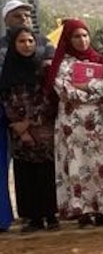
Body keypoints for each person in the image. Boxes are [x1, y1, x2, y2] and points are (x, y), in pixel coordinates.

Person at [47, 20, 103, 228]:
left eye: (85, 35)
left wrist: (85, 87)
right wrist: (92, 89)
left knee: (102, 162)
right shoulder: (62, 64)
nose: (82, 40)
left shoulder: (100, 61)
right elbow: (65, 92)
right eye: (76, 37)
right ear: (68, 40)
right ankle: (83, 211)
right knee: (78, 163)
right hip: (73, 124)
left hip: (100, 123)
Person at [2, 26, 58, 231]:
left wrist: (30, 122)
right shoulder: (9, 71)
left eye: (30, 41)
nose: (27, 45)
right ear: (14, 45)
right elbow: (6, 100)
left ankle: (51, 215)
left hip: (43, 128)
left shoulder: (43, 70)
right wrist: (21, 128)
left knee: (46, 171)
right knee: (26, 173)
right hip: (18, 131)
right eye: (21, 42)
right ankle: (32, 217)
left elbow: (48, 99)